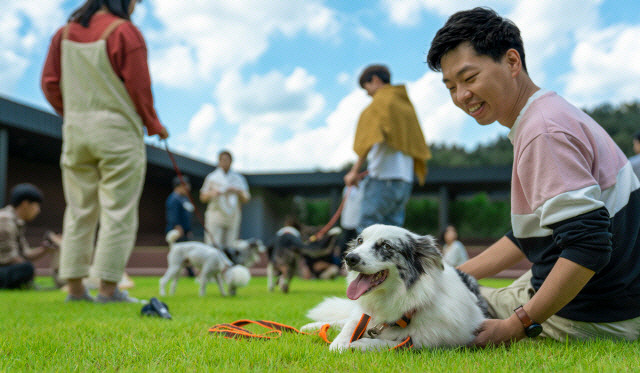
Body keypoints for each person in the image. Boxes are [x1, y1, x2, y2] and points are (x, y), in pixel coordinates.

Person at [427, 7, 640, 346]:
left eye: (469, 79)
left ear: (512, 62)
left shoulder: (543, 132)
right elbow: (526, 237)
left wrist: (516, 325)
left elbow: (589, 244)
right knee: (446, 291)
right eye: (450, 86)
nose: (461, 96)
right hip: (616, 300)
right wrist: (453, 275)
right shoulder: (548, 115)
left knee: (429, 308)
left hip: (595, 314)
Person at [41, 0, 169, 302]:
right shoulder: (125, 32)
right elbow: (140, 89)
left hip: (75, 131)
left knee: (79, 209)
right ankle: (109, 289)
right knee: (118, 210)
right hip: (117, 132)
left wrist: (73, 113)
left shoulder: (63, 34)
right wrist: (155, 125)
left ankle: (74, 288)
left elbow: (49, 85)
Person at [343, 65, 431, 232]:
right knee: (393, 234)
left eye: (366, 87)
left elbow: (368, 139)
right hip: (405, 181)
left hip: (382, 179)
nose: (367, 93)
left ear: (375, 80)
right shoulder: (405, 106)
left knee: (368, 231)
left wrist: (354, 172)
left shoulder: (380, 103)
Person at [0, 184, 60, 289]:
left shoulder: (16, 221)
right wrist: (29, 270)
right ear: (25, 204)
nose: (38, 210)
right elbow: (10, 258)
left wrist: (44, 249)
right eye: (36, 206)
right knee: (25, 268)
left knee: (25, 267)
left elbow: (25, 254)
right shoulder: (5, 221)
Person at [200, 151, 250, 248]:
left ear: (231, 161)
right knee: (213, 246)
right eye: (222, 160)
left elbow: (246, 198)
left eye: (227, 160)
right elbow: (203, 197)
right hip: (215, 216)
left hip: (232, 217)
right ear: (218, 161)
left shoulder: (238, 178)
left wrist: (237, 191)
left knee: (231, 247)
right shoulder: (212, 177)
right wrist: (215, 192)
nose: (224, 162)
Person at [165, 175, 195, 277]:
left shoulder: (184, 198)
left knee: (187, 253)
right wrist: (177, 227)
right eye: (185, 185)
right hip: (178, 231)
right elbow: (172, 215)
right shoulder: (173, 199)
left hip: (185, 230)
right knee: (179, 254)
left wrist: (189, 229)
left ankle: (190, 272)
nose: (188, 188)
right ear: (178, 186)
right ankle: (180, 272)